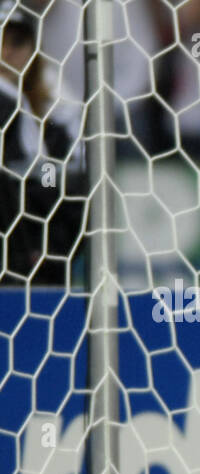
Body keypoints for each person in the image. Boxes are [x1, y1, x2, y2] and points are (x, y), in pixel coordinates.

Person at [0, 0, 82, 286]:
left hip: (40, 285)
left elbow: (65, 196)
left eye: (17, 41)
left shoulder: (56, 128)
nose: (5, 53)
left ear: (35, 50)